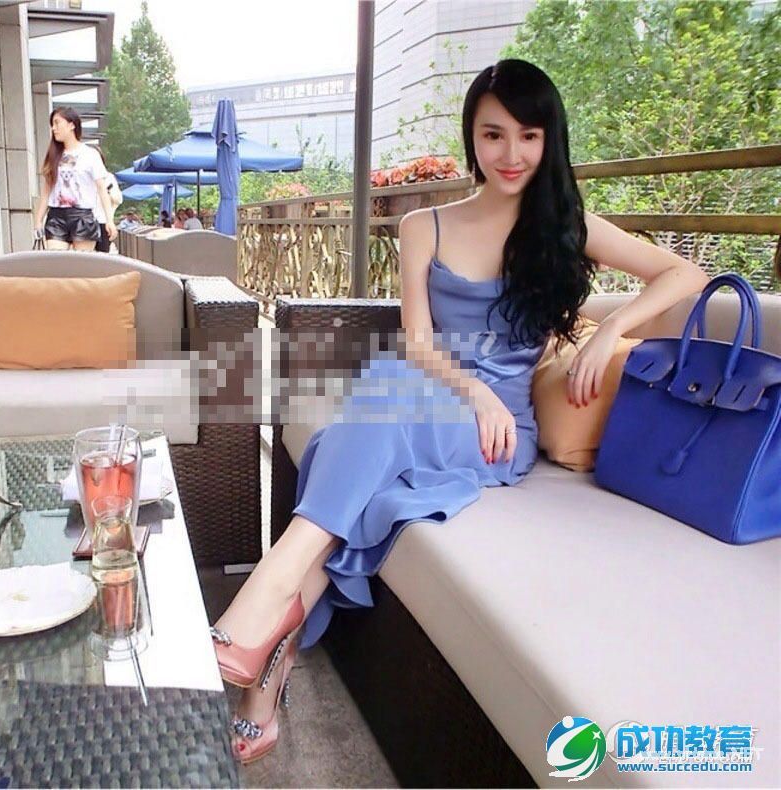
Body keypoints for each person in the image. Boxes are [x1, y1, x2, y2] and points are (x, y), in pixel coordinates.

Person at [209, 59, 710, 765]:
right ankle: (269, 665)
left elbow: (685, 273)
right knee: (383, 411)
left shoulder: (568, 226)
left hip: (498, 431)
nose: (511, 153)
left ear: (549, 140)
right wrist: (470, 387)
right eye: (494, 134)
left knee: (370, 415)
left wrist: (610, 332)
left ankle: (261, 605)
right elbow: (419, 343)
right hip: (439, 392)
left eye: (529, 135)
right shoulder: (425, 225)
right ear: (471, 137)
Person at [34, 107, 117, 251]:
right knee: (56, 261)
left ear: (71, 125)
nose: (54, 128)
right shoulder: (53, 155)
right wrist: (38, 220)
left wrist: (109, 221)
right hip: (56, 216)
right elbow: (46, 192)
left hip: (82, 216)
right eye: (52, 124)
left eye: (57, 123)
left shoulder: (90, 154)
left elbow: (101, 189)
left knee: (81, 262)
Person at [93, 150, 123, 253]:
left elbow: (118, 199)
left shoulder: (108, 177)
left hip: (103, 220)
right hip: (84, 220)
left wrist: (108, 192)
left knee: (102, 253)